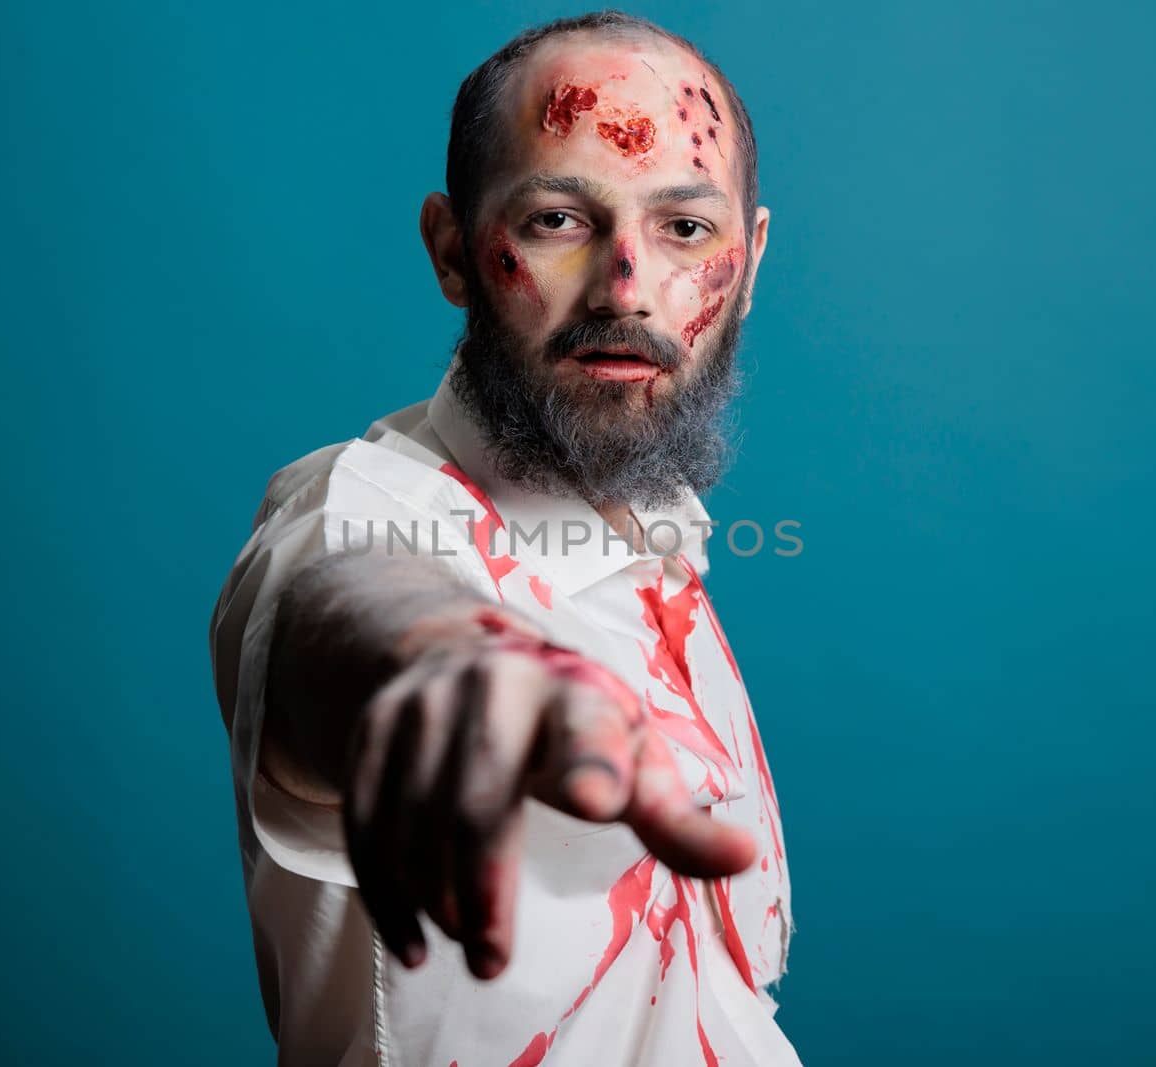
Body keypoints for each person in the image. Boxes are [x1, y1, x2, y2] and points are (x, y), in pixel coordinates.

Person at [209, 11, 797, 1064]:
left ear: (746, 262)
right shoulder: (357, 510)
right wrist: (451, 664)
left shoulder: (661, 537)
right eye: (561, 219)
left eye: (684, 229)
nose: (625, 283)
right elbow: (344, 600)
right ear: (451, 249)